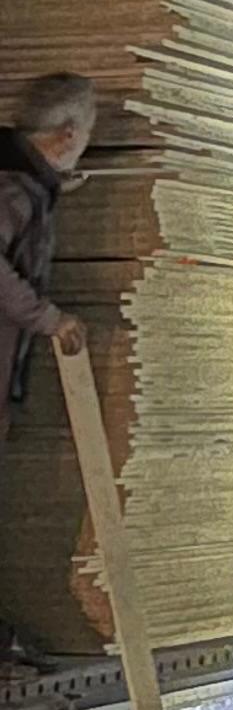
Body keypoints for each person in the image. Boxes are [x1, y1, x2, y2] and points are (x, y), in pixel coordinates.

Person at [0, 71, 96, 438]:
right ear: (68, 135)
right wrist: (47, 318)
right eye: (88, 132)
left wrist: (53, 186)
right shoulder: (14, 189)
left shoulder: (22, 181)